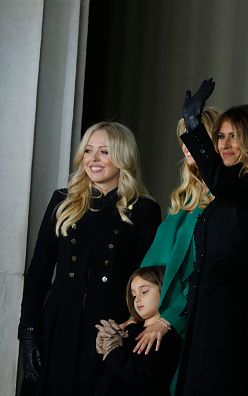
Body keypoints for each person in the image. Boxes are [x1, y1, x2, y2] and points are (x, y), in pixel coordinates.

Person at [18, 122, 161, 396]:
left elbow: (148, 280)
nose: (93, 160)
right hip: (57, 327)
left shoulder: (144, 210)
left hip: (109, 331)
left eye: (104, 152)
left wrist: (130, 329)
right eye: (88, 151)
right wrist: (28, 331)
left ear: (123, 157)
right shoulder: (62, 201)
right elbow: (38, 271)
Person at [175, 78, 248, 395]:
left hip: (230, 319)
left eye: (233, 137)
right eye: (220, 136)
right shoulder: (229, 190)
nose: (223, 144)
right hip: (206, 313)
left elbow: (226, 187)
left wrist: (196, 128)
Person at [132, 108, 220, 356]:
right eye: (183, 138)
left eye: (193, 136)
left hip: (196, 326)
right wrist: (137, 316)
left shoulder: (223, 204)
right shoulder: (183, 204)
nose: (186, 145)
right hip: (162, 325)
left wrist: (168, 319)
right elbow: (153, 270)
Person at [94, 266, 182, 396]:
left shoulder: (167, 337)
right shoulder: (129, 330)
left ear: (165, 290)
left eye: (144, 291)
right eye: (134, 295)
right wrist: (103, 345)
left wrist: (113, 351)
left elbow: (142, 379)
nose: (137, 299)